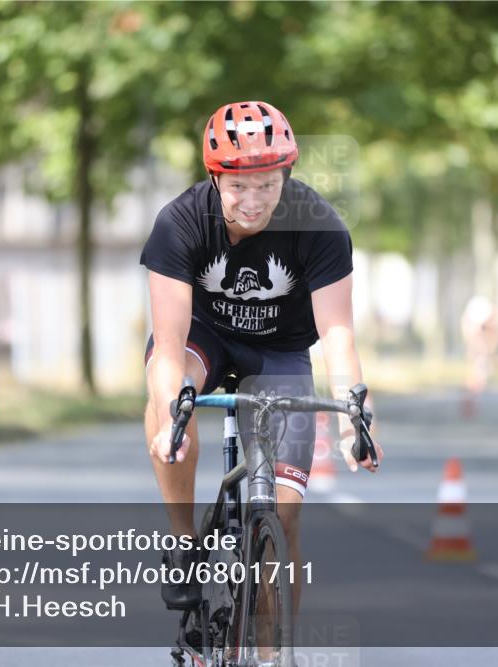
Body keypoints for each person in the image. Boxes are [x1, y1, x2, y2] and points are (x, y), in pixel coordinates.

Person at [140, 101, 383, 613]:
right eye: (238, 188)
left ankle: (273, 654)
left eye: (268, 185)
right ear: (214, 178)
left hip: (280, 351)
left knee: (286, 516)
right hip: (201, 337)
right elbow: (167, 346)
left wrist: (352, 421)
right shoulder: (179, 223)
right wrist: (169, 417)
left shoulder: (320, 224)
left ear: (286, 175)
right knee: (176, 399)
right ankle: (184, 541)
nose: (253, 202)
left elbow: (338, 333)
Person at [460, 294, 498, 417]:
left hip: (479, 349)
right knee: (476, 377)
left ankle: (471, 403)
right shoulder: (481, 317)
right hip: (478, 349)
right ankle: (470, 403)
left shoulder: (479, 315)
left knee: (477, 376)